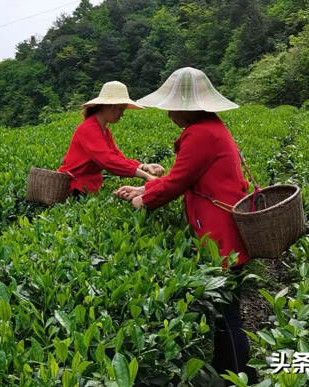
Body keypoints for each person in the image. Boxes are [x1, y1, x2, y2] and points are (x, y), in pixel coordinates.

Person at [114, 67, 258, 382]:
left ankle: (238, 374)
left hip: (222, 237)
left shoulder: (201, 133)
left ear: (188, 107)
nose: (168, 113)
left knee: (226, 315)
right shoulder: (210, 127)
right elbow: (185, 176)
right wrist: (143, 188)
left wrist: (143, 200)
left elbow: (176, 183)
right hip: (224, 231)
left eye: (172, 106)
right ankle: (233, 371)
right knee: (226, 312)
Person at [57, 81, 162, 195]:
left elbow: (117, 157)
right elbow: (108, 161)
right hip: (74, 188)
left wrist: (143, 166)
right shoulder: (89, 128)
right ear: (109, 106)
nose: (122, 114)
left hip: (89, 188)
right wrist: (146, 176)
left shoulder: (104, 131)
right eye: (120, 109)